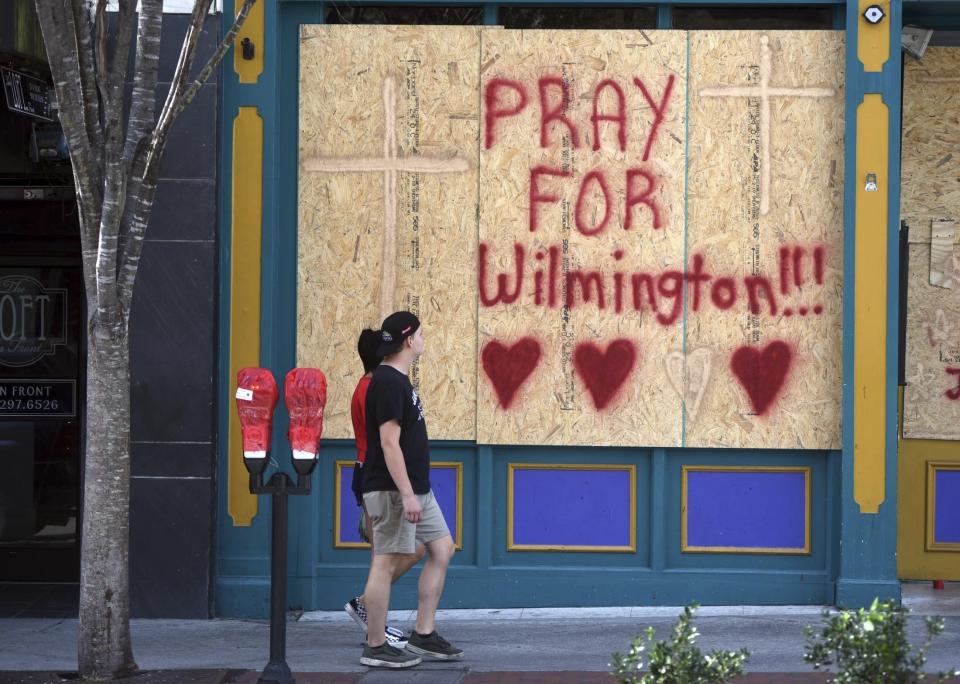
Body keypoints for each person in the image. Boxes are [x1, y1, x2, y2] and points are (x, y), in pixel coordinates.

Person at [359, 311, 463, 669]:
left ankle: (423, 634)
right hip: (392, 490)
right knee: (385, 563)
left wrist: (414, 490)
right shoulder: (387, 382)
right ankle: (375, 645)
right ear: (408, 341)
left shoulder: (399, 379)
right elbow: (389, 443)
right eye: (420, 334)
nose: (423, 339)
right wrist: (405, 493)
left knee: (442, 548)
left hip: (418, 488)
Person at [343, 328, 424, 648]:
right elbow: (387, 442)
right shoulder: (372, 388)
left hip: (373, 476)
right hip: (376, 478)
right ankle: (371, 622)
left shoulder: (371, 385)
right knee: (384, 557)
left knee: (401, 552)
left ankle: (368, 611)